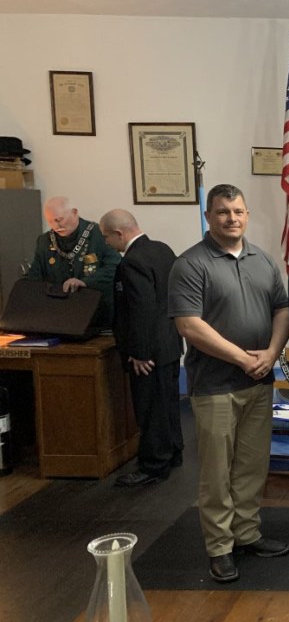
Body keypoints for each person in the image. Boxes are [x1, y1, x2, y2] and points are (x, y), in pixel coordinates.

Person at [167, 184, 289, 583]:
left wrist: (272, 352)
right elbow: (189, 325)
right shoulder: (191, 264)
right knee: (217, 473)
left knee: (252, 466)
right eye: (223, 212)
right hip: (215, 386)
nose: (232, 219)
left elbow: (282, 309)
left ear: (247, 214)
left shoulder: (263, 260)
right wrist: (242, 358)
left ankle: (247, 534)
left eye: (238, 211)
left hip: (259, 382)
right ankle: (220, 546)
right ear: (209, 216)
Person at [99, 209, 183, 487]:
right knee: (168, 404)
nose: (107, 243)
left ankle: (153, 465)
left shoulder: (131, 262)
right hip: (170, 343)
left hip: (149, 351)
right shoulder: (162, 249)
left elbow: (140, 309)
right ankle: (173, 453)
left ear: (119, 233)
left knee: (150, 409)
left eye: (106, 237)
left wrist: (139, 352)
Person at [25, 196, 120, 328]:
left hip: (97, 311)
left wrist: (85, 282)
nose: (56, 226)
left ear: (74, 212)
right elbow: (35, 275)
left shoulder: (99, 234)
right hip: (59, 314)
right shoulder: (44, 241)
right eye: (50, 221)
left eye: (59, 220)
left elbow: (115, 267)